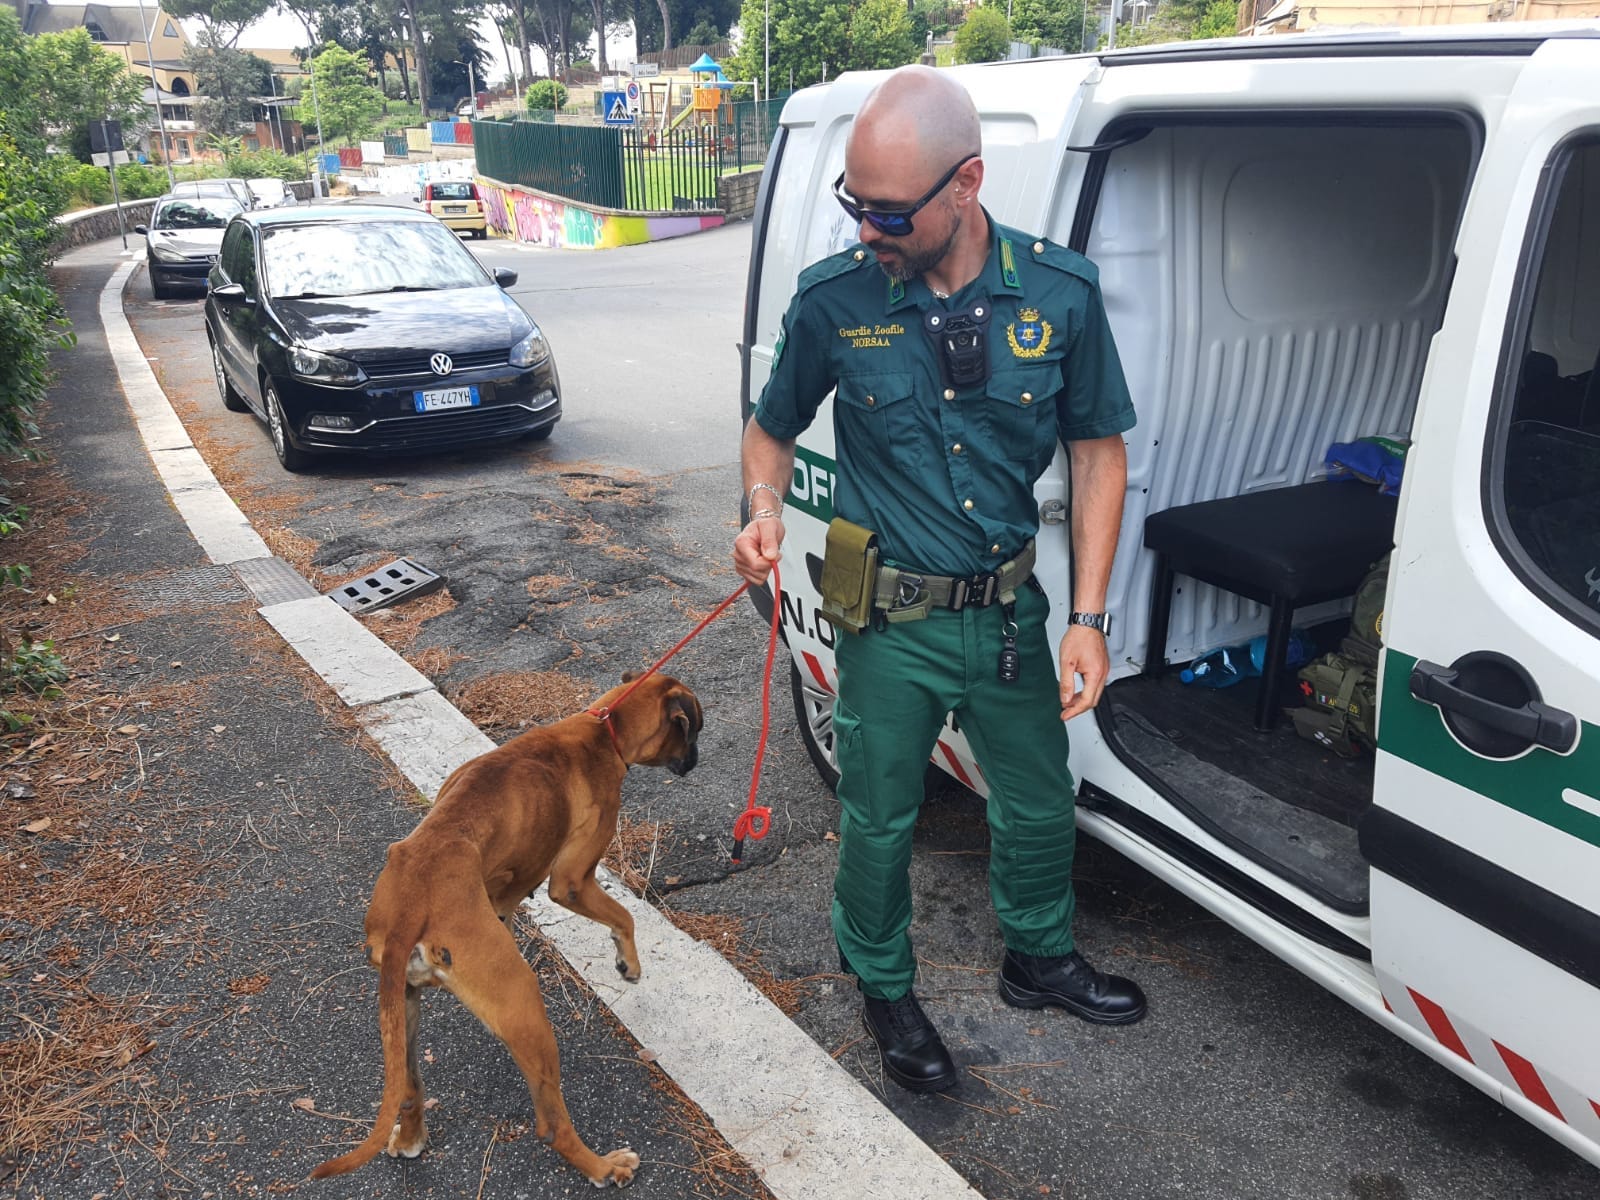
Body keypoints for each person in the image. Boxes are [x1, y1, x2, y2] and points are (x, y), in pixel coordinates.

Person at [732, 65, 1145, 1094]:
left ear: (966, 183)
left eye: (887, 213)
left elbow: (1097, 452)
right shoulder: (836, 299)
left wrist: (1089, 617)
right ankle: (882, 984)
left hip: (1010, 613)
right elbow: (770, 427)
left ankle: (1036, 956)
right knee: (880, 816)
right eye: (853, 206)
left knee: (1042, 800)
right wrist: (762, 511)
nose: (866, 231)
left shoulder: (1059, 294)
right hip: (889, 622)